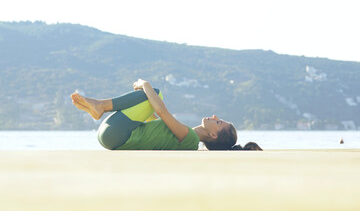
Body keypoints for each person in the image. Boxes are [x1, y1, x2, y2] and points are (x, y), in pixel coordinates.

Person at [71, 79, 262, 151]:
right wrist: (146, 103)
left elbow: (162, 112)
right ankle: (100, 106)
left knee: (156, 92)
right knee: (153, 98)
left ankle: (101, 106)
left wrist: (145, 85)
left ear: (214, 135)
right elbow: (155, 119)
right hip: (111, 137)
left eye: (219, 122)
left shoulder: (190, 139)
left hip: (116, 137)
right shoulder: (187, 136)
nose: (214, 116)